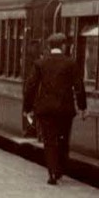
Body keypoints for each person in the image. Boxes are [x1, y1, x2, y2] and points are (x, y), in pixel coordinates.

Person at [25, 31, 86, 185]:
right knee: (63, 140)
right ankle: (60, 169)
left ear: (49, 46)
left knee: (49, 141)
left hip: (45, 110)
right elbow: (79, 87)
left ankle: (52, 172)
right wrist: (82, 107)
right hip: (65, 110)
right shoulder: (71, 63)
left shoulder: (40, 63)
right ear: (64, 46)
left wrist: (27, 107)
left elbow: (31, 86)